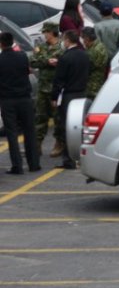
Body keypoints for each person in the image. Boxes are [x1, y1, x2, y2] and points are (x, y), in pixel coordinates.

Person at [0, 32, 37, 174]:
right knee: (29, 131)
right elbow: (28, 71)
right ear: (12, 42)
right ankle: (34, 164)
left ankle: (17, 165)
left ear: (1, 44)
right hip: (25, 98)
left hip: (8, 100)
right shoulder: (22, 56)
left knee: (12, 134)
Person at [52, 29, 88, 169]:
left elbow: (59, 80)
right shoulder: (84, 55)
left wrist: (54, 97)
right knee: (80, 127)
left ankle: (69, 159)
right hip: (82, 94)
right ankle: (81, 157)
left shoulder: (65, 58)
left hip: (68, 95)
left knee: (67, 128)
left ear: (67, 41)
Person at [30, 21, 62, 156]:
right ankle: (37, 145)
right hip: (43, 87)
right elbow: (32, 61)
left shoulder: (62, 46)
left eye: (46, 32)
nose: (44, 35)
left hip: (56, 88)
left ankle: (59, 143)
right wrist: (47, 61)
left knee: (58, 118)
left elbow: (64, 61)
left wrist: (51, 61)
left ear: (52, 32)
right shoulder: (41, 46)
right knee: (40, 117)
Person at [80, 27, 109, 99]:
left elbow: (87, 67)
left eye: (83, 38)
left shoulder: (94, 51)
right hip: (97, 83)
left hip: (93, 86)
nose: (82, 41)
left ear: (87, 38)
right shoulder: (99, 45)